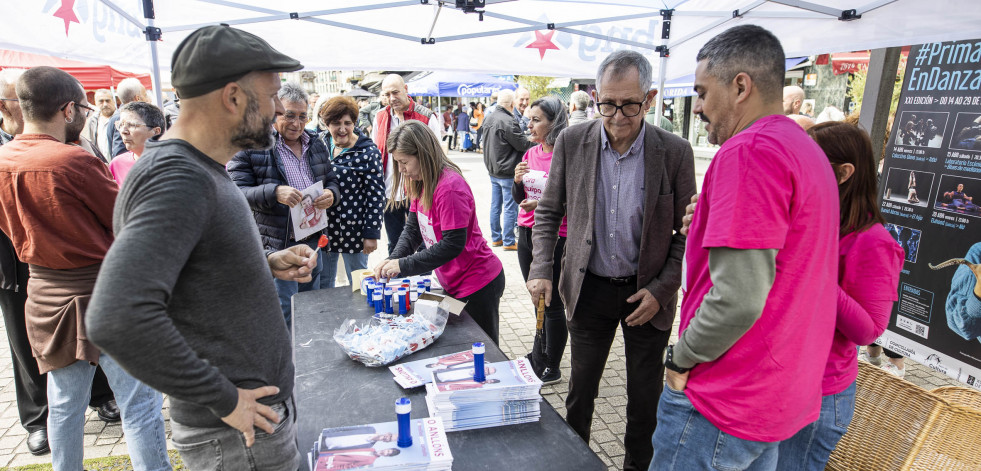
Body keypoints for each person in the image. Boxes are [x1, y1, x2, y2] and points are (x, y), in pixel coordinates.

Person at [86, 25, 318, 470]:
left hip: (246, 430)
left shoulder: (197, 168)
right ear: (233, 97)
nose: (274, 112)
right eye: (270, 98)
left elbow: (191, 272)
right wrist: (225, 399)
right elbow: (117, 316)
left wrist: (265, 263)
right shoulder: (177, 176)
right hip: (236, 436)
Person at [651, 25, 839, 470]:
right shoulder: (804, 149)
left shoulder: (749, 150)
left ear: (740, 86)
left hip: (725, 396)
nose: (696, 107)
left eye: (701, 92)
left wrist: (680, 357)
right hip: (775, 394)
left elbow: (736, 299)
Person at [526, 50, 696, 471]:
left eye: (631, 104)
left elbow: (686, 236)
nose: (618, 116)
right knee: (580, 393)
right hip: (589, 288)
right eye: (608, 104)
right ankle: (575, 463)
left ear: (650, 98)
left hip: (647, 296)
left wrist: (661, 290)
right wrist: (542, 268)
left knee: (644, 400)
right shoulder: (572, 140)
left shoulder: (674, 152)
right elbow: (548, 212)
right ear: (595, 96)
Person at [0, 66, 170, 471]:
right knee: (139, 403)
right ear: (67, 109)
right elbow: (128, 221)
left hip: (44, 293)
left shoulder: (4, 158)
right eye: (83, 107)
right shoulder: (73, 161)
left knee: (63, 406)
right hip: (103, 291)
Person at [774, 122, 904, 471]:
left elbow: (868, 330)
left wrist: (813, 268)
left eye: (810, 162)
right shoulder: (813, 218)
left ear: (844, 173)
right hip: (783, 381)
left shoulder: (873, 241)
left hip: (820, 395)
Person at [373, 121, 505, 343]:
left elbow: (453, 244)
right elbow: (413, 229)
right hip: (454, 282)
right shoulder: (420, 182)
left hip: (478, 282)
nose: (402, 169)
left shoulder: (449, 187)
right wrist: (393, 260)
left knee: (484, 349)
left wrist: (403, 266)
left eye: (404, 162)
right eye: (398, 163)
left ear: (422, 154)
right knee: (461, 345)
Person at [228, 82, 340, 326]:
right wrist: (274, 191)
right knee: (285, 312)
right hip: (278, 243)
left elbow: (331, 180)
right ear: (275, 112)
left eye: (302, 117)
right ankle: (291, 362)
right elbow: (235, 192)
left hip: (314, 238)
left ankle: (312, 358)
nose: (296, 124)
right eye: (289, 115)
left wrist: (331, 194)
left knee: (314, 307)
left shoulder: (316, 143)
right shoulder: (251, 145)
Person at [511, 96, 570, 384]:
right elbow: (520, 200)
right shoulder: (530, 153)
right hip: (526, 232)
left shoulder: (566, 154)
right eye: (528, 119)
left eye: (536, 120)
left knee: (552, 303)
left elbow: (575, 200)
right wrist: (517, 182)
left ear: (554, 122)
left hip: (557, 236)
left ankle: (552, 364)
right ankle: (538, 354)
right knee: (537, 300)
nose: (529, 124)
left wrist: (543, 205)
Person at [317, 96, 384, 288]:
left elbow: (376, 195)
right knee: (323, 282)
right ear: (326, 123)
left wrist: (371, 233)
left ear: (355, 123)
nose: (342, 129)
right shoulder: (320, 144)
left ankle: (359, 318)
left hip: (354, 229)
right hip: (323, 227)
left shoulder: (368, 151)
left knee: (358, 282)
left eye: (348, 123)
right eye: (336, 123)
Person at [372, 74, 442, 255]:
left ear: (406, 90)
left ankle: (422, 282)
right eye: (387, 94)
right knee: (395, 243)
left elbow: (437, 156)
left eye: (395, 92)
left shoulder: (426, 116)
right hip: (390, 191)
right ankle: (397, 281)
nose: (391, 98)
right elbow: (375, 152)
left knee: (423, 243)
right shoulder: (380, 117)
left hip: (420, 190)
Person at [482, 89, 533, 251]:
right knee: (510, 207)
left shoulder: (489, 117)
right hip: (506, 170)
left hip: (494, 170)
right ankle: (509, 241)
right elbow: (522, 144)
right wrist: (537, 142)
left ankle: (496, 238)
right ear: (512, 104)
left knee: (495, 206)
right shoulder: (507, 120)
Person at [108, 101, 164, 185]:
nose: (123, 131)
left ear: (156, 131)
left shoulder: (171, 164)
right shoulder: (117, 164)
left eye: (132, 125)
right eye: (120, 125)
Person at [107, 78, 150, 158]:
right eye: (145, 95)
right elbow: (120, 152)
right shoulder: (122, 118)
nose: (147, 99)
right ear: (137, 98)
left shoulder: (119, 115)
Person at [82, 88, 116, 162]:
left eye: (107, 100)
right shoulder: (92, 121)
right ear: (95, 103)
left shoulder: (121, 118)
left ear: (113, 101)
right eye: (101, 101)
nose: (105, 104)